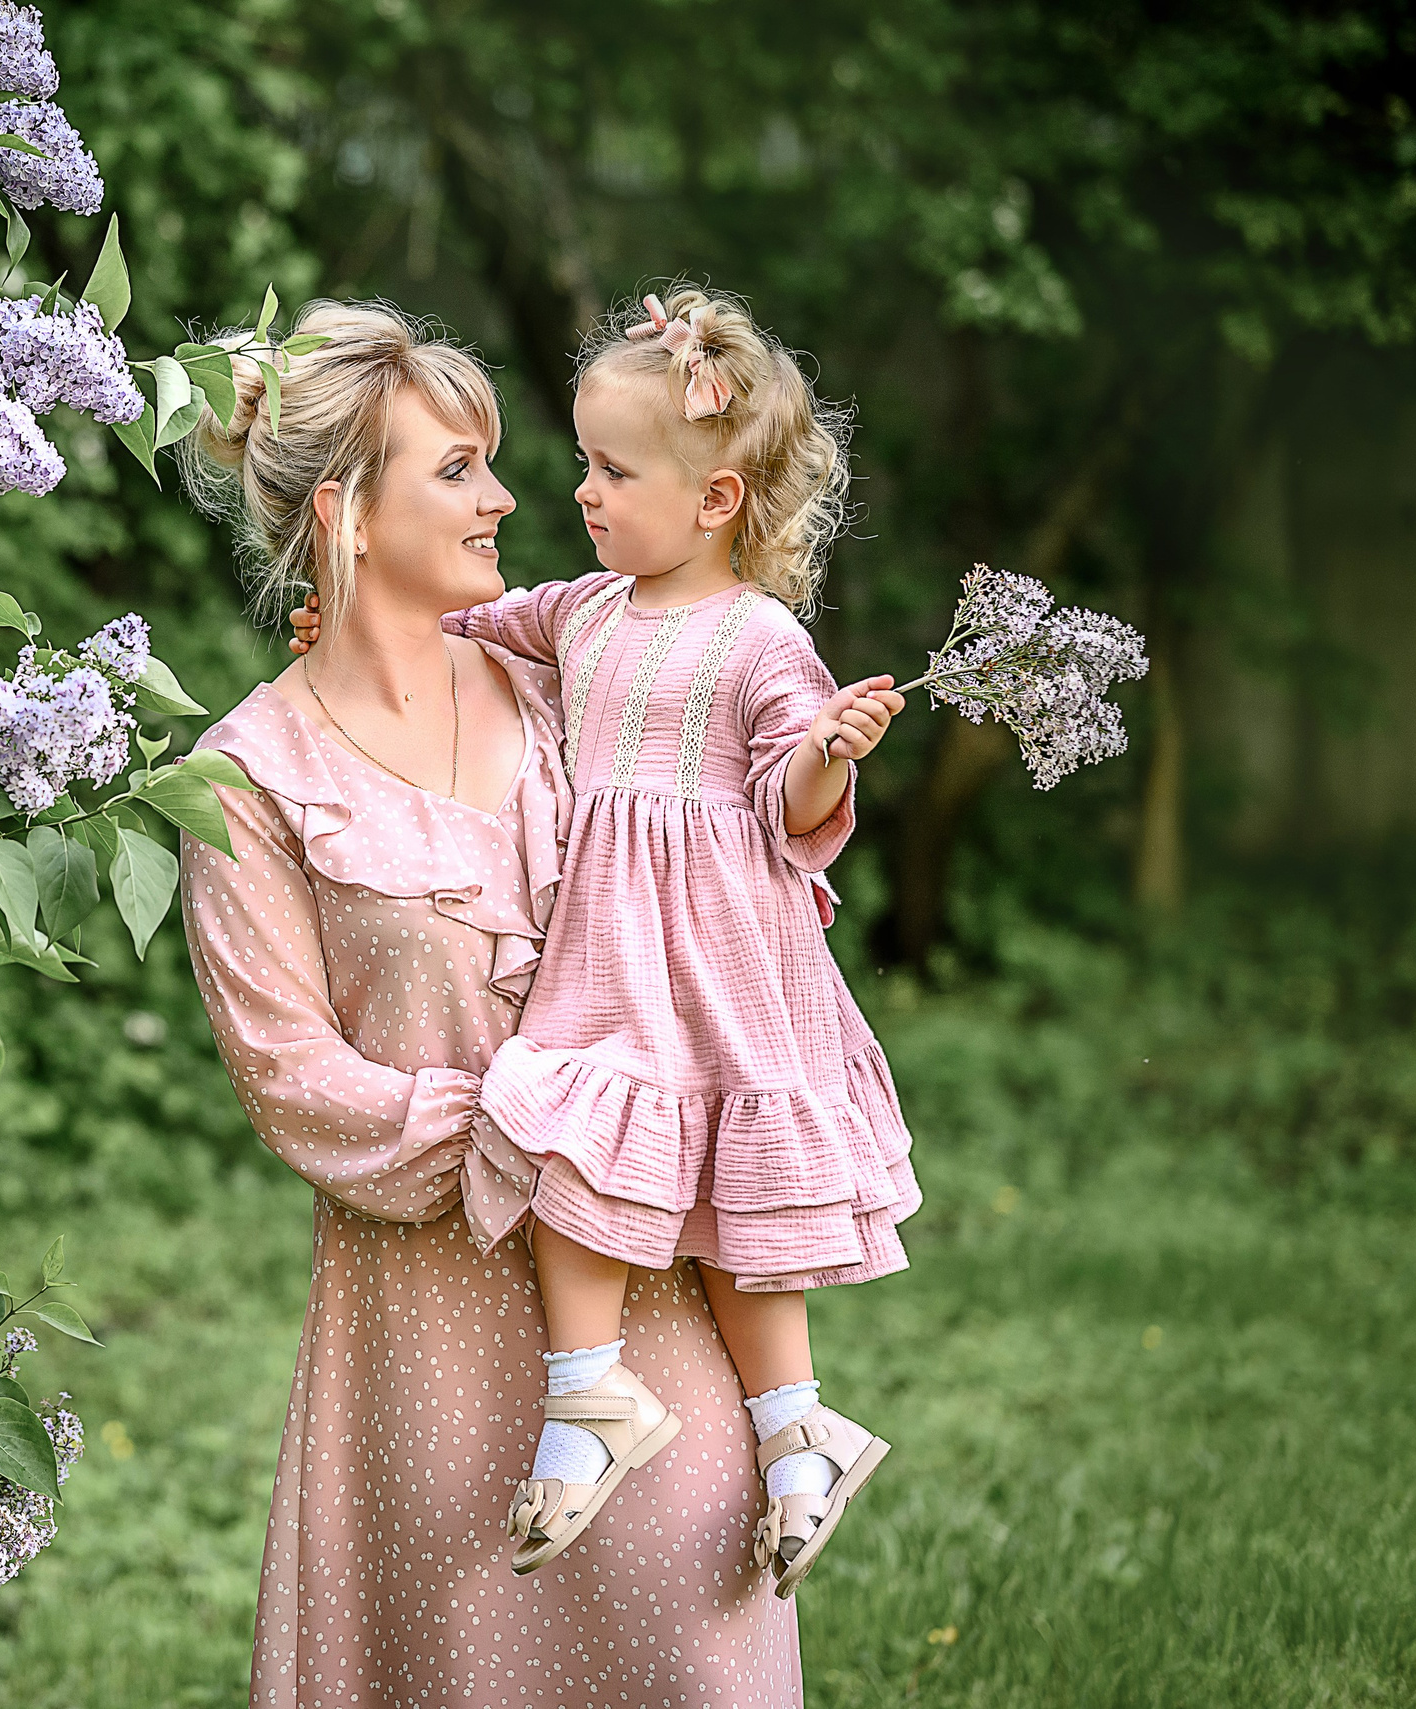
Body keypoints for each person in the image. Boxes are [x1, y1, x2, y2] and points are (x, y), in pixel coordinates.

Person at [183, 300, 800, 1706]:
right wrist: (542, 1121)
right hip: (421, 1346)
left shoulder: (567, 678)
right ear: (345, 510)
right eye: (457, 468)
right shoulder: (245, 777)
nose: (508, 495)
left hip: (654, 1287)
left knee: (705, 1647)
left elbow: (728, 877)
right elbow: (297, 1083)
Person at [291, 285, 919, 1595]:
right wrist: (343, 622)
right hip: (612, 964)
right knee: (571, 1147)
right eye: (582, 460)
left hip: (724, 963)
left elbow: (790, 808)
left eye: (612, 469)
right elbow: (454, 628)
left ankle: (797, 1430)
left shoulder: (760, 640)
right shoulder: (581, 613)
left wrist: (822, 753)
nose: (578, 489)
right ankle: (589, 1395)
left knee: (743, 1211)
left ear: (716, 504)